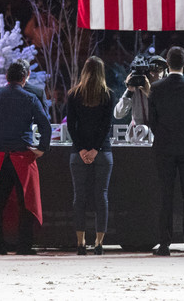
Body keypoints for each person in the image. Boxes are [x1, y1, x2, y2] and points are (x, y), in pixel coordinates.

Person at [0, 61, 51, 255]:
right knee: (26, 204)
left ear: (7, 77)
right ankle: (24, 247)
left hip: (0, 157)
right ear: (25, 78)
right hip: (22, 157)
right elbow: (45, 126)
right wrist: (42, 148)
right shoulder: (30, 98)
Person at [148, 46, 184, 256]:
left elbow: (152, 122)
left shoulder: (156, 88)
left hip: (164, 148)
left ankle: (164, 244)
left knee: (165, 196)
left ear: (168, 63)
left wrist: (163, 136)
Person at [65, 56, 115, 255]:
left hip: (78, 154)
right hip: (103, 152)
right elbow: (106, 126)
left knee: (80, 197)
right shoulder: (108, 95)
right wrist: (95, 149)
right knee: (101, 196)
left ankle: (80, 243)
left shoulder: (73, 95)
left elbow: (71, 126)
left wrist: (82, 149)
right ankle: (99, 243)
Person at [113, 55, 168, 143]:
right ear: (147, 72)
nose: (157, 73)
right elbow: (118, 114)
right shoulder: (137, 87)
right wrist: (129, 90)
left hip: (159, 140)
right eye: (153, 69)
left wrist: (149, 93)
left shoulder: (166, 89)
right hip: (136, 140)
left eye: (160, 69)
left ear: (165, 72)